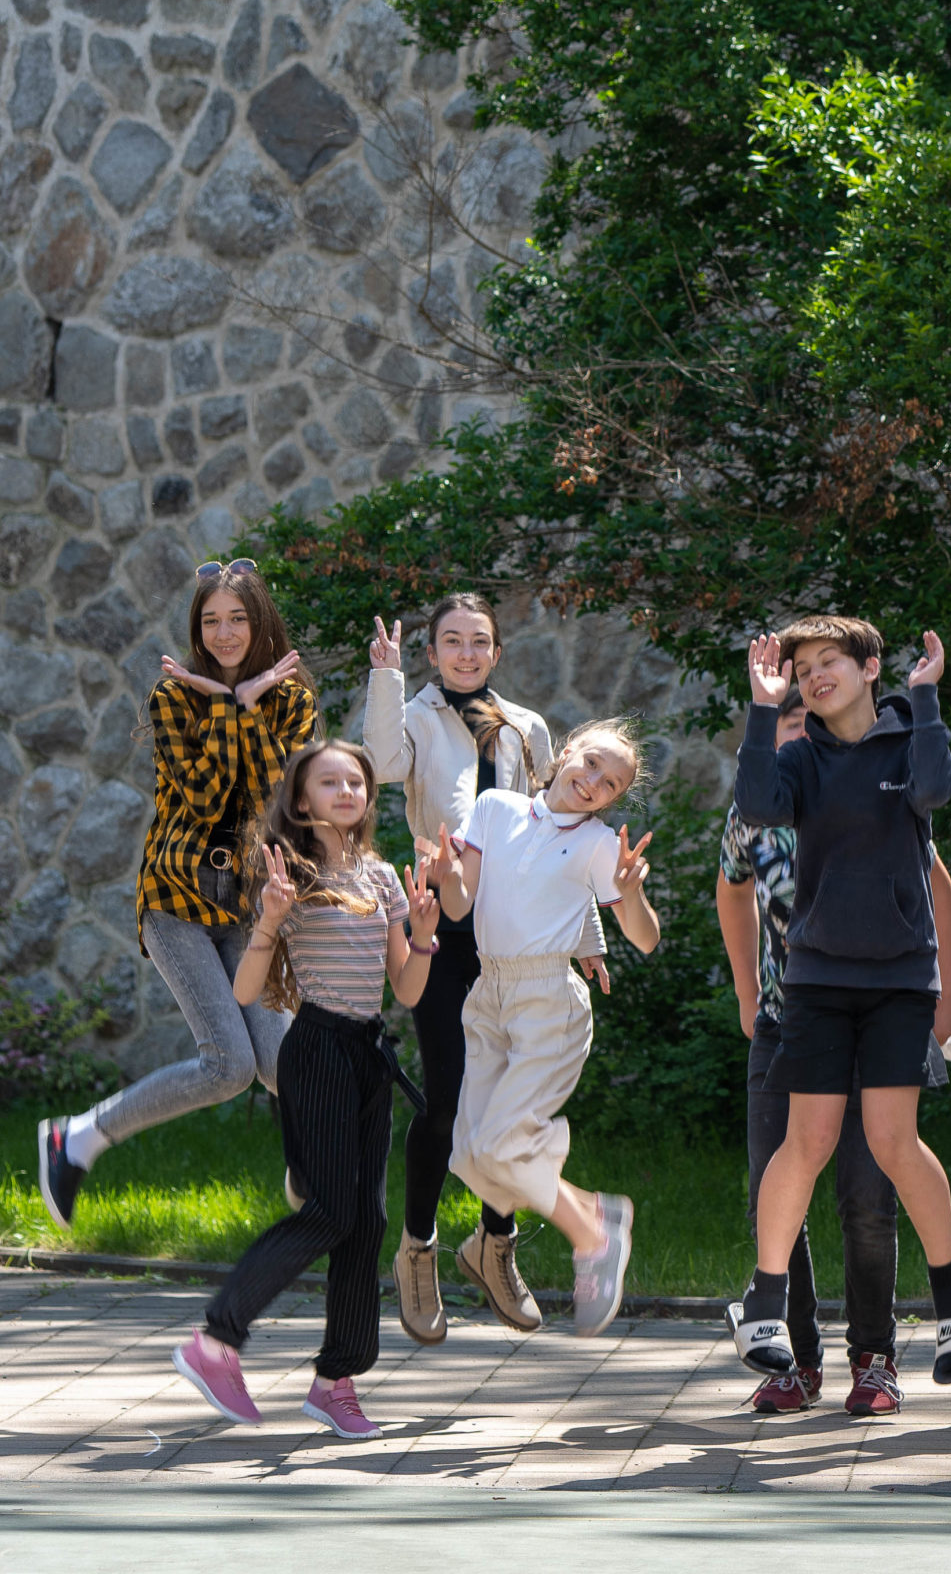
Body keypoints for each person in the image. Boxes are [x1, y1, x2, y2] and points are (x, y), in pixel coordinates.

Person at [727, 616, 951, 1385]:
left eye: (829, 661)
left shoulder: (909, 739)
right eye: (803, 667)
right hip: (815, 978)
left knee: (891, 1140)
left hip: (899, 980)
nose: (815, 675)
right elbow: (758, 805)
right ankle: (766, 1299)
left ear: (870, 666)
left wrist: (928, 698)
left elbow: (935, 789)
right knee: (806, 1141)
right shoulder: (800, 756)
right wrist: (762, 709)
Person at [170, 740, 439, 1435]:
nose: (347, 790)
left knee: (366, 1221)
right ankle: (216, 1340)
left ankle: (335, 1380)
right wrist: (267, 920)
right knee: (330, 1211)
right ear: (300, 798)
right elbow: (245, 990)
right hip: (316, 1050)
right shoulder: (289, 875)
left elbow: (406, 989)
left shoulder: (382, 876)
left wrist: (424, 936)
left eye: (356, 780)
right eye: (330, 781)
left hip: (368, 1054)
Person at [38, 559, 316, 1225]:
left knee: (284, 1066)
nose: (224, 633)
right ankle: (77, 1138)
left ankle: (313, 1169)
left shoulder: (292, 701)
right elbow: (205, 797)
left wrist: (249, 706)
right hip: (177, 900)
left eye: (238, 618)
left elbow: (277, 796)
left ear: (260, 622)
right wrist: (224, 705)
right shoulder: (173, 698)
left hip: (247, 904)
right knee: (228, 1066)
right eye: (211, 620)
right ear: (197, 629)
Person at [365, 594, 605, 1347]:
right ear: (433, 652)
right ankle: (418, 1250)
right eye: (452, 641)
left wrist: (588, 930)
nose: (466, 653)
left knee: (511, 1103)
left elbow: (556, 834)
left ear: (497, 652)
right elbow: (382, 765)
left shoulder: (528, 727)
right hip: (442, 917)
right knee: (445, 1100)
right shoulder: (416, 714)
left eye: (478, 642)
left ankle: (494, 1245)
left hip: (515, 930)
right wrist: (385, 680)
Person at [426, 721, 662, 1336]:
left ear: (612, 800)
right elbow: (459, 905)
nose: (595, 782)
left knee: (503, 1146)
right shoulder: (494, 807)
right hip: (489, 995)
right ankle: (588, 1213)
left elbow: (645, 938)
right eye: (592, 763)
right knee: (471, 1155)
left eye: (611, 784)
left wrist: (631, 894)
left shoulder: (599, 845)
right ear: (567, 751)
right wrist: (446, 873)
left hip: (548, 1004)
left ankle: (592, 1237)